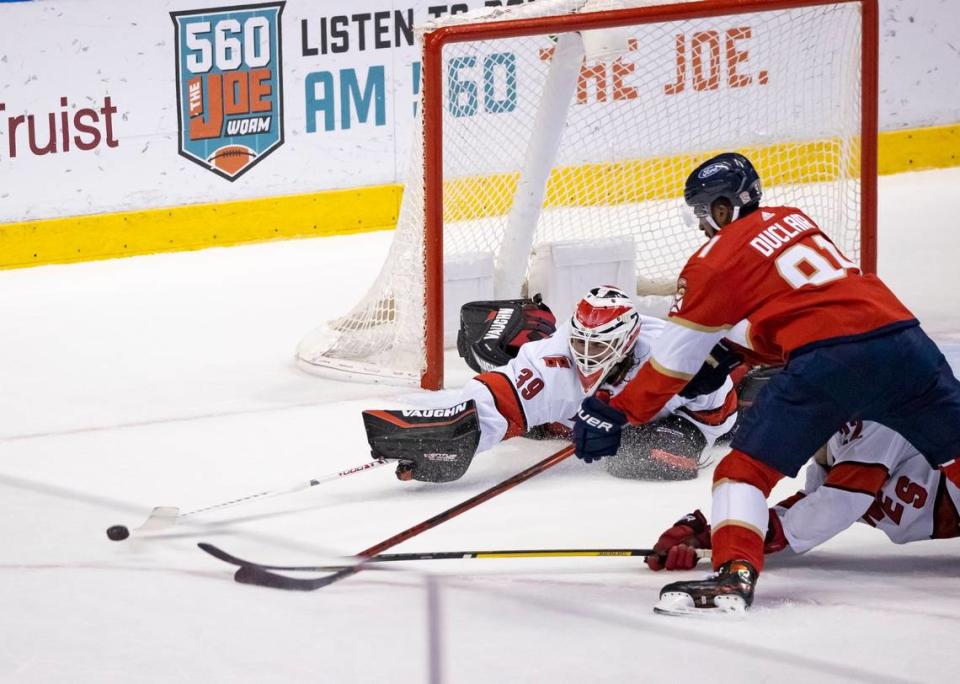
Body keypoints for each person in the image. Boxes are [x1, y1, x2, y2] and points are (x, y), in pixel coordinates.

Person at [571, 152, 960, 615]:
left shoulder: (713, 262)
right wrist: (736, 350)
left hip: (829, 362)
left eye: (702, 213)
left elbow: (673, 364)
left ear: (722, 207)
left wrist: (617, 411)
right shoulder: (796, 221)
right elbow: (803, 309)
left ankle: (734, 577)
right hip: (905, 343)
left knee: (742, 473)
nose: (701, 226)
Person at [363, 286, 739, 484]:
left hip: (687, 418)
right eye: (581, 342)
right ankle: (528, 324)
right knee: (547, 416)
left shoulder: (669, 352)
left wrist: (688, 428)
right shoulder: (551, 359)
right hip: (592, 409)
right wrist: (443, 447)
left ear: (627, 341)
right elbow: (496, 403)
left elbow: (718, 413)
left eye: (600, 345)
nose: (588, 356)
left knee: (636, 458)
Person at [645, 420, 960, 578]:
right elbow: (807, 508)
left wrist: (729, 541)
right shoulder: (835, 443)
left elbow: (836, 505)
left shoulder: (877, 420)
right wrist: (716, 537)